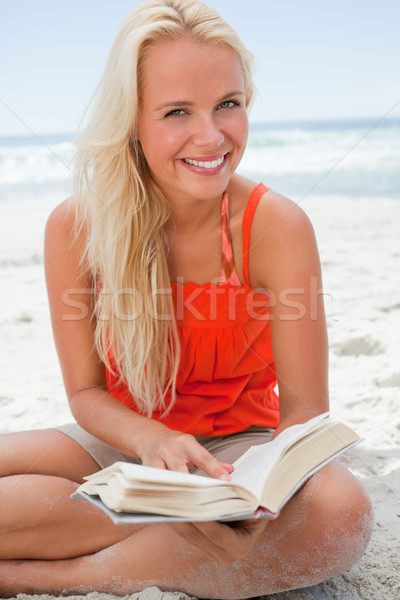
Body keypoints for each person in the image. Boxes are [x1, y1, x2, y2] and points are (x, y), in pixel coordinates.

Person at [0, 0, 373, 597]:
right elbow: (86, 394)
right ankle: (159, 535)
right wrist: (149, 439)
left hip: (239, 451)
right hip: (124, 443)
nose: (211, 136)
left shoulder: (276, 227)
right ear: (133, 123)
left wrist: (254, 499)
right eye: (177, 111)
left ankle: (52, 574)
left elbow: (303, 416)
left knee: (340, 513)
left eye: (228, 103)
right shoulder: (76, 226)